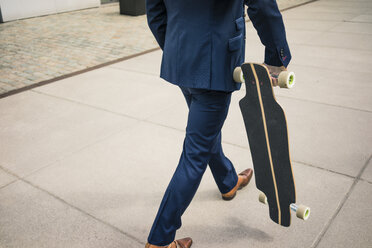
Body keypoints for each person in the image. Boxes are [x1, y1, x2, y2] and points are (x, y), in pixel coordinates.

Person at [145, 0, 291, 247]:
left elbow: (155, 11)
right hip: (215, 60)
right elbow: (262, 5)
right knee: (195, 153)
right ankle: (160, 239)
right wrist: (277, 58)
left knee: (205, 132)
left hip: (182, 56)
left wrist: (177, 47)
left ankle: (228, 182)